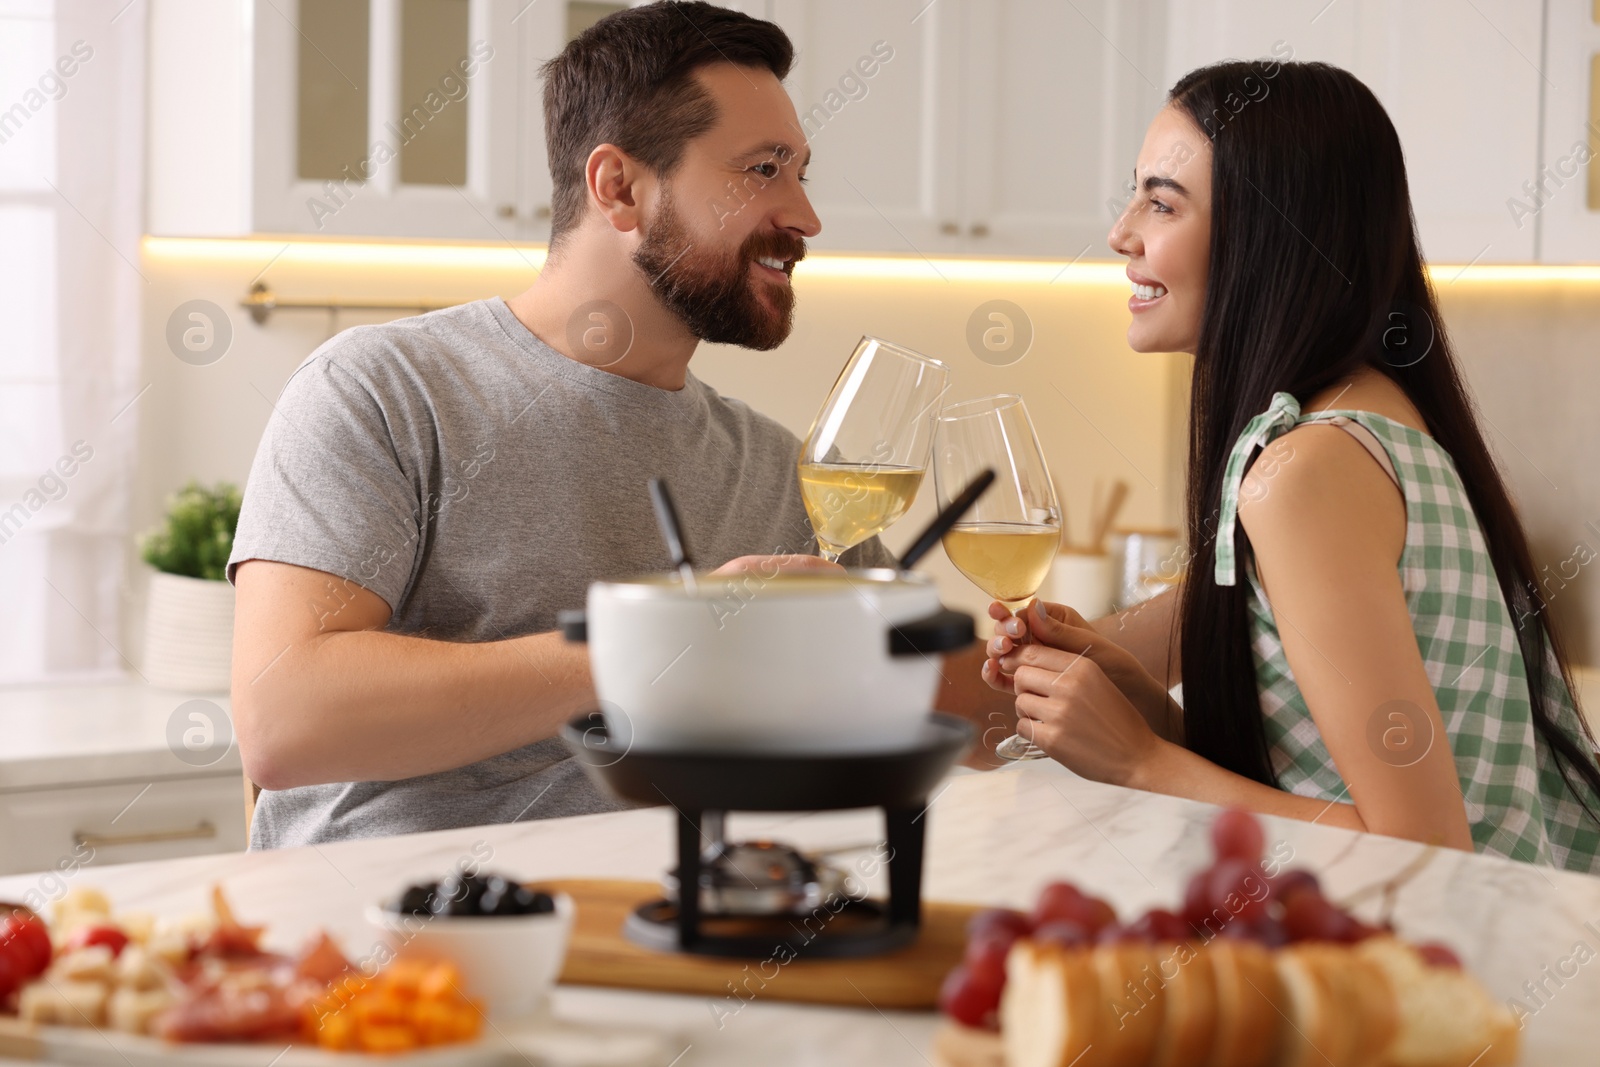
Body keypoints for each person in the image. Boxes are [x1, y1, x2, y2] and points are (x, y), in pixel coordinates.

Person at [229, 2, 1005, 849]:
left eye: (801, 173)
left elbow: (960, 698)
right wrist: (664, 639)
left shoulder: (787, 475)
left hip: (685, 936)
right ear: (620, 188)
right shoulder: (383, 389)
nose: (805, 217)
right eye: (761, 170)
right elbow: (283, 717)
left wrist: (1117, 643)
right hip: (409, 952)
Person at [984, 60, 1600, 872]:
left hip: (1437, 965)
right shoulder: (1365, 411)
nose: (1122, 231)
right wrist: (1143, 715)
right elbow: (1313, 786)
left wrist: (1142, 762)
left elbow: (1424, 855)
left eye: (1162, 201)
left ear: (1266, 233)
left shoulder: (1307, 469)